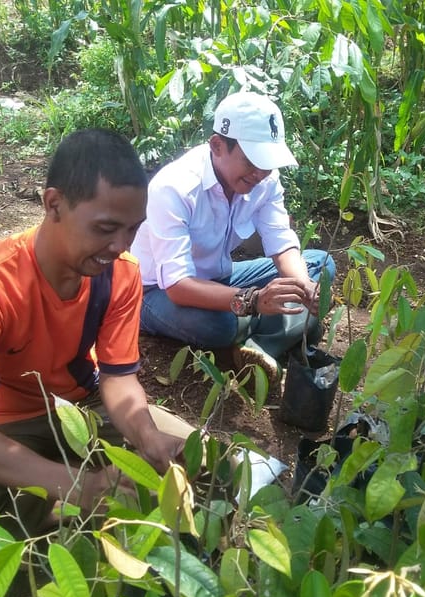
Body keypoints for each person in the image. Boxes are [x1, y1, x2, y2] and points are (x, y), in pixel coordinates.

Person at [0, 129, 191, 561]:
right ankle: (61, 500)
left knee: (200, 459)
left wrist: (146, 435)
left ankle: (46, 502)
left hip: (83, 411)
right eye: (105, 229)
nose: (120, 246)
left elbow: (119, 382)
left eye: (133, 229)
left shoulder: (121, 274)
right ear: (54, 204)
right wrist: (80, 485)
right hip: (6, 424)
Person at [130, 91, 336, 384]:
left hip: (218, 278)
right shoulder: (174, 188)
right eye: (252, 161)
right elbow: (178, 286)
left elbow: (279, 237)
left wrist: (302, 285)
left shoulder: (264, 180)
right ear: (217, 145)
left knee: (319, 266)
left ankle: (256, 345)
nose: (260, 173)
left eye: (267, 163)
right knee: (221, 324)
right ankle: (273, 333)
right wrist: (251, 300)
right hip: (155, 292)